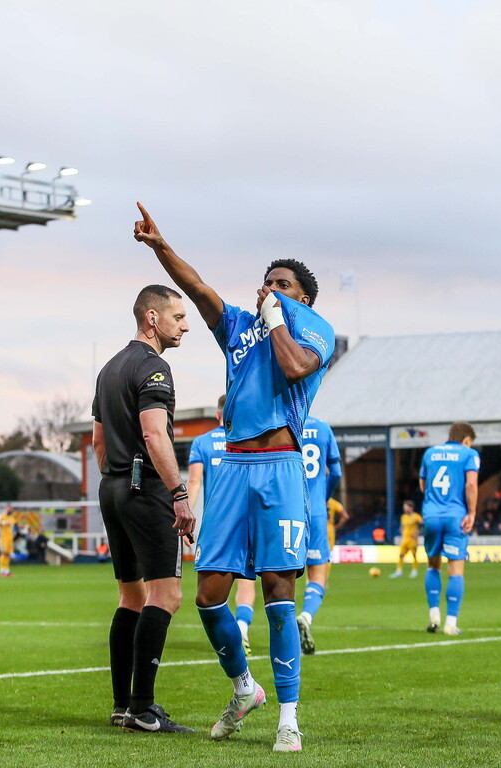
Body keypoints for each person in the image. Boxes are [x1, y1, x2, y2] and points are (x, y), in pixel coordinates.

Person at [135, 203, 335, 752]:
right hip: (232, 468)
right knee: (208, 594)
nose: (270, 287)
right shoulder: (240, 327)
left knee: (278, 591)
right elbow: (197, 287)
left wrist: (277, 318)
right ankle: (244, 687)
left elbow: (295, 368)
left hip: (280, 467)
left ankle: (289, 718)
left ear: (303, 297)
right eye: (267, 281)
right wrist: (160, 246)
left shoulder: (316, 328)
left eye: (283, 283)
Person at [92, 283, 196, 734]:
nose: (185, 326)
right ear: (152, 318)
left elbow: (98, 441)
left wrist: (118, 477)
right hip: (145, 488)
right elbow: (155, 436)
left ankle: (121, 706)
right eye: (178, 317)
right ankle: (143, 707)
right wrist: (177, 492)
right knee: (167, 595)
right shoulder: (154, 369)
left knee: (130, 596)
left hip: (112, 487)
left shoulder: (109, 368)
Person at [188, 395, 258, 655]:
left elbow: (194, 483)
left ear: (218, 415)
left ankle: (228, 634)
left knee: (215, 584)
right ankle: (241, 627)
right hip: (248, 517)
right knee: (246, 581)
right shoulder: (249, 439)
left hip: (216, 521)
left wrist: (187, 513)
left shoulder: (202, 442)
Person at [418, 422, 479, 636]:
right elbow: (471, 485)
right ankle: (450, 623)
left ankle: (434, 614)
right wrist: (471, 513)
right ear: (466, 440)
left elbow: (423, 485)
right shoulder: (469, 454)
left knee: (433, 564)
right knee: (456, 569)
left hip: (432, 515)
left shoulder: (430, 453)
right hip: (456, 517)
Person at [296, 415, 342, 655]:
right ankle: (305, 616)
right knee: (318, 575)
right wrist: (323, 496)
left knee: (281, 578)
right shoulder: (323, 428)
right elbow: (336, 472)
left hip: (288, 509)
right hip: (315, 512)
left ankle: (282, 637)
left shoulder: (284, 422)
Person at [391, 500, 424, 579]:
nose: (405, 509)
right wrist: (401, 529)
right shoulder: (403, 517)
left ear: (411, 508)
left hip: (412, 540)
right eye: (404, 507)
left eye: (406, 507)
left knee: (414, 555)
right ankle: (399, 571)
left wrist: (418, 533)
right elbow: (402, 526)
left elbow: (423, 524)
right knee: (401, 555)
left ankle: (414, 571)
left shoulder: (416, 516)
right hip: (404, 540)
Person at [0, 504, 17, 577]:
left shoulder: (11, 518)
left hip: (9, 539)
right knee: (3, 554)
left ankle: (6, 572)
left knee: (7, 554)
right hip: (2, 538)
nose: (11, 510)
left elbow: (14, 525)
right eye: (10, 509)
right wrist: (4, 523)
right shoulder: (1, 516)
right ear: (6, 508)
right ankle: (1, 572)